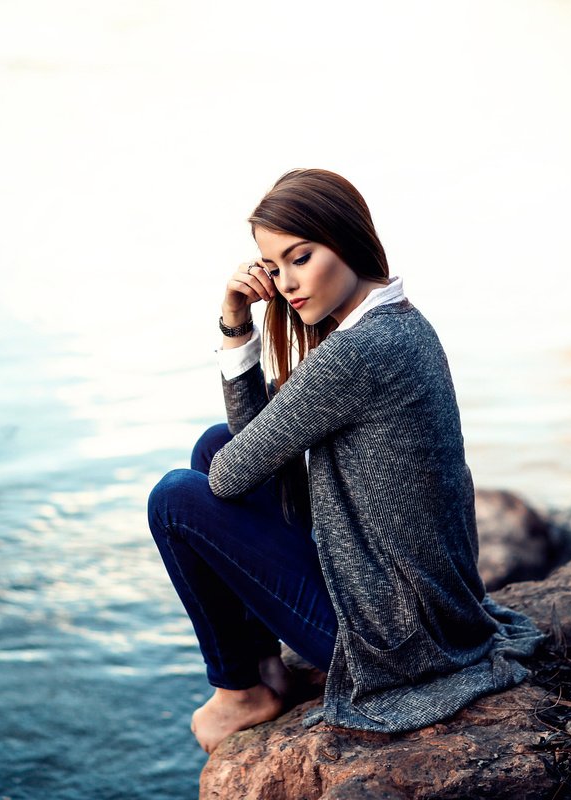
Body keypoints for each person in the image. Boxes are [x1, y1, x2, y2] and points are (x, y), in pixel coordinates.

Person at [147, 168, 544, 755]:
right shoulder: (397, 321)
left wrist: (234, 326)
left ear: (346, 239)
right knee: (213, 445)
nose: (285, 283)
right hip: (421, 606)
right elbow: (247, 449)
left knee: (176, 498)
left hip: (394, 639)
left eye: (300, 257)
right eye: (274, 267)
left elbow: (234, 476)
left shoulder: (360, 351)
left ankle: (240, 690)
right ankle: (267, 669)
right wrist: (237, 320)